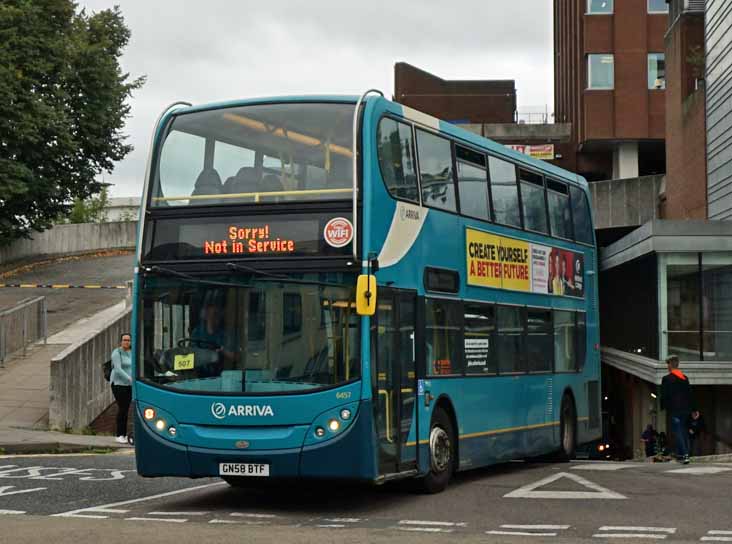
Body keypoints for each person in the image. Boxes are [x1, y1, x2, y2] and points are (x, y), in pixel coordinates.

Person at [660, 355, 692, 464]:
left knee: (678, 432)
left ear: (670, 365)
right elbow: (690, 394)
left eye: (667, 364)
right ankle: (680, 455)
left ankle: (684, 454)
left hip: (675, 410)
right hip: (686, 410)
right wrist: (694, 409)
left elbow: (664, 395)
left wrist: (663, 407)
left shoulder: (667, 379)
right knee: (683, 431)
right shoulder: (685, 378)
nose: (667, 366)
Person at [110, 333, 132, 444]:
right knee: (122, 408)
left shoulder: (132, 352)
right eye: (124, 340)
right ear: (121, 341)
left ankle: (124, 434)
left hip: (130, 385)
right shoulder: (116, 353)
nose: (126, 342)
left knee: (127, 409)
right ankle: (119, 435)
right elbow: (118, 369)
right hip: (118, 384)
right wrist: (130, 379)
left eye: (128, 340)